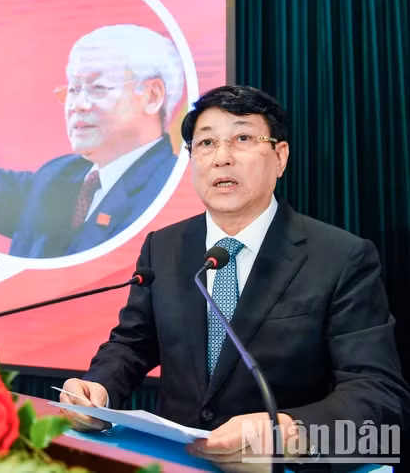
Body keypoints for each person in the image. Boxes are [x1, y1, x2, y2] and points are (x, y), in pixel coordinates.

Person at [60, 85, 409, 469]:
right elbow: (133, 344)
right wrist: (100, 389)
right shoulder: (164, 246)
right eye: (206, 143)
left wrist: (288, 436)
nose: (221, 158)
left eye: (242, 138)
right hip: (175, 462)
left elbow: (378, 394)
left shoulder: (341, 257)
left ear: (280, 157)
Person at [0, 22, 185, 258]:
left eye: (98, 88)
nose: (77, 104)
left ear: (152, 96)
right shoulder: (60, 175)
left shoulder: (171, 188)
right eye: (73, 88)